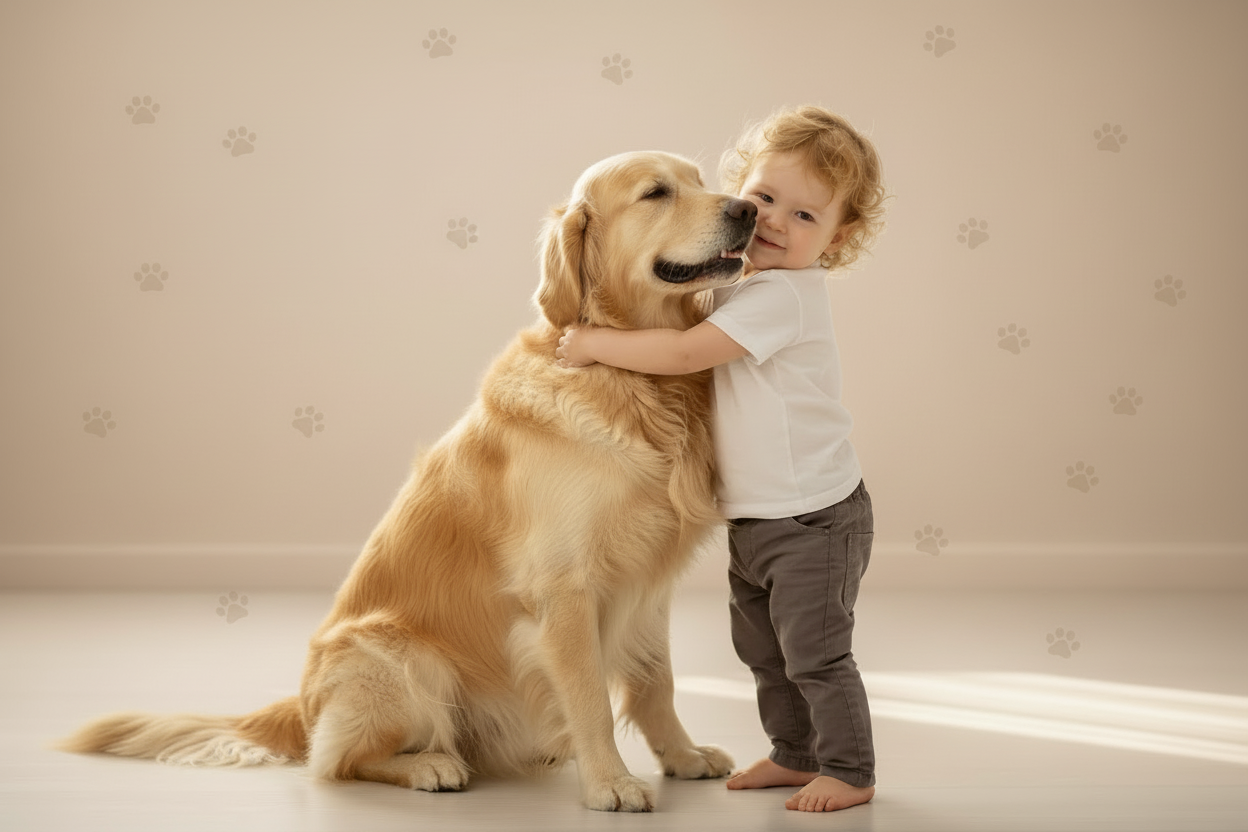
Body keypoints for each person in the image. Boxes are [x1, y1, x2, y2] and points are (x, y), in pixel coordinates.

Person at [555, 105, 887, 813]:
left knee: (817, 656)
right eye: (763, 199)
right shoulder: (742, 282)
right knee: (764, 652)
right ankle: (796, 755)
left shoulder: (783, 299)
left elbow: (680, 352)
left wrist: (589, 345)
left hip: (814, 518)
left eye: (805, 218)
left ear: (838, 238)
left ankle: (850, 768)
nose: (770, 221)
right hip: (763, 518)